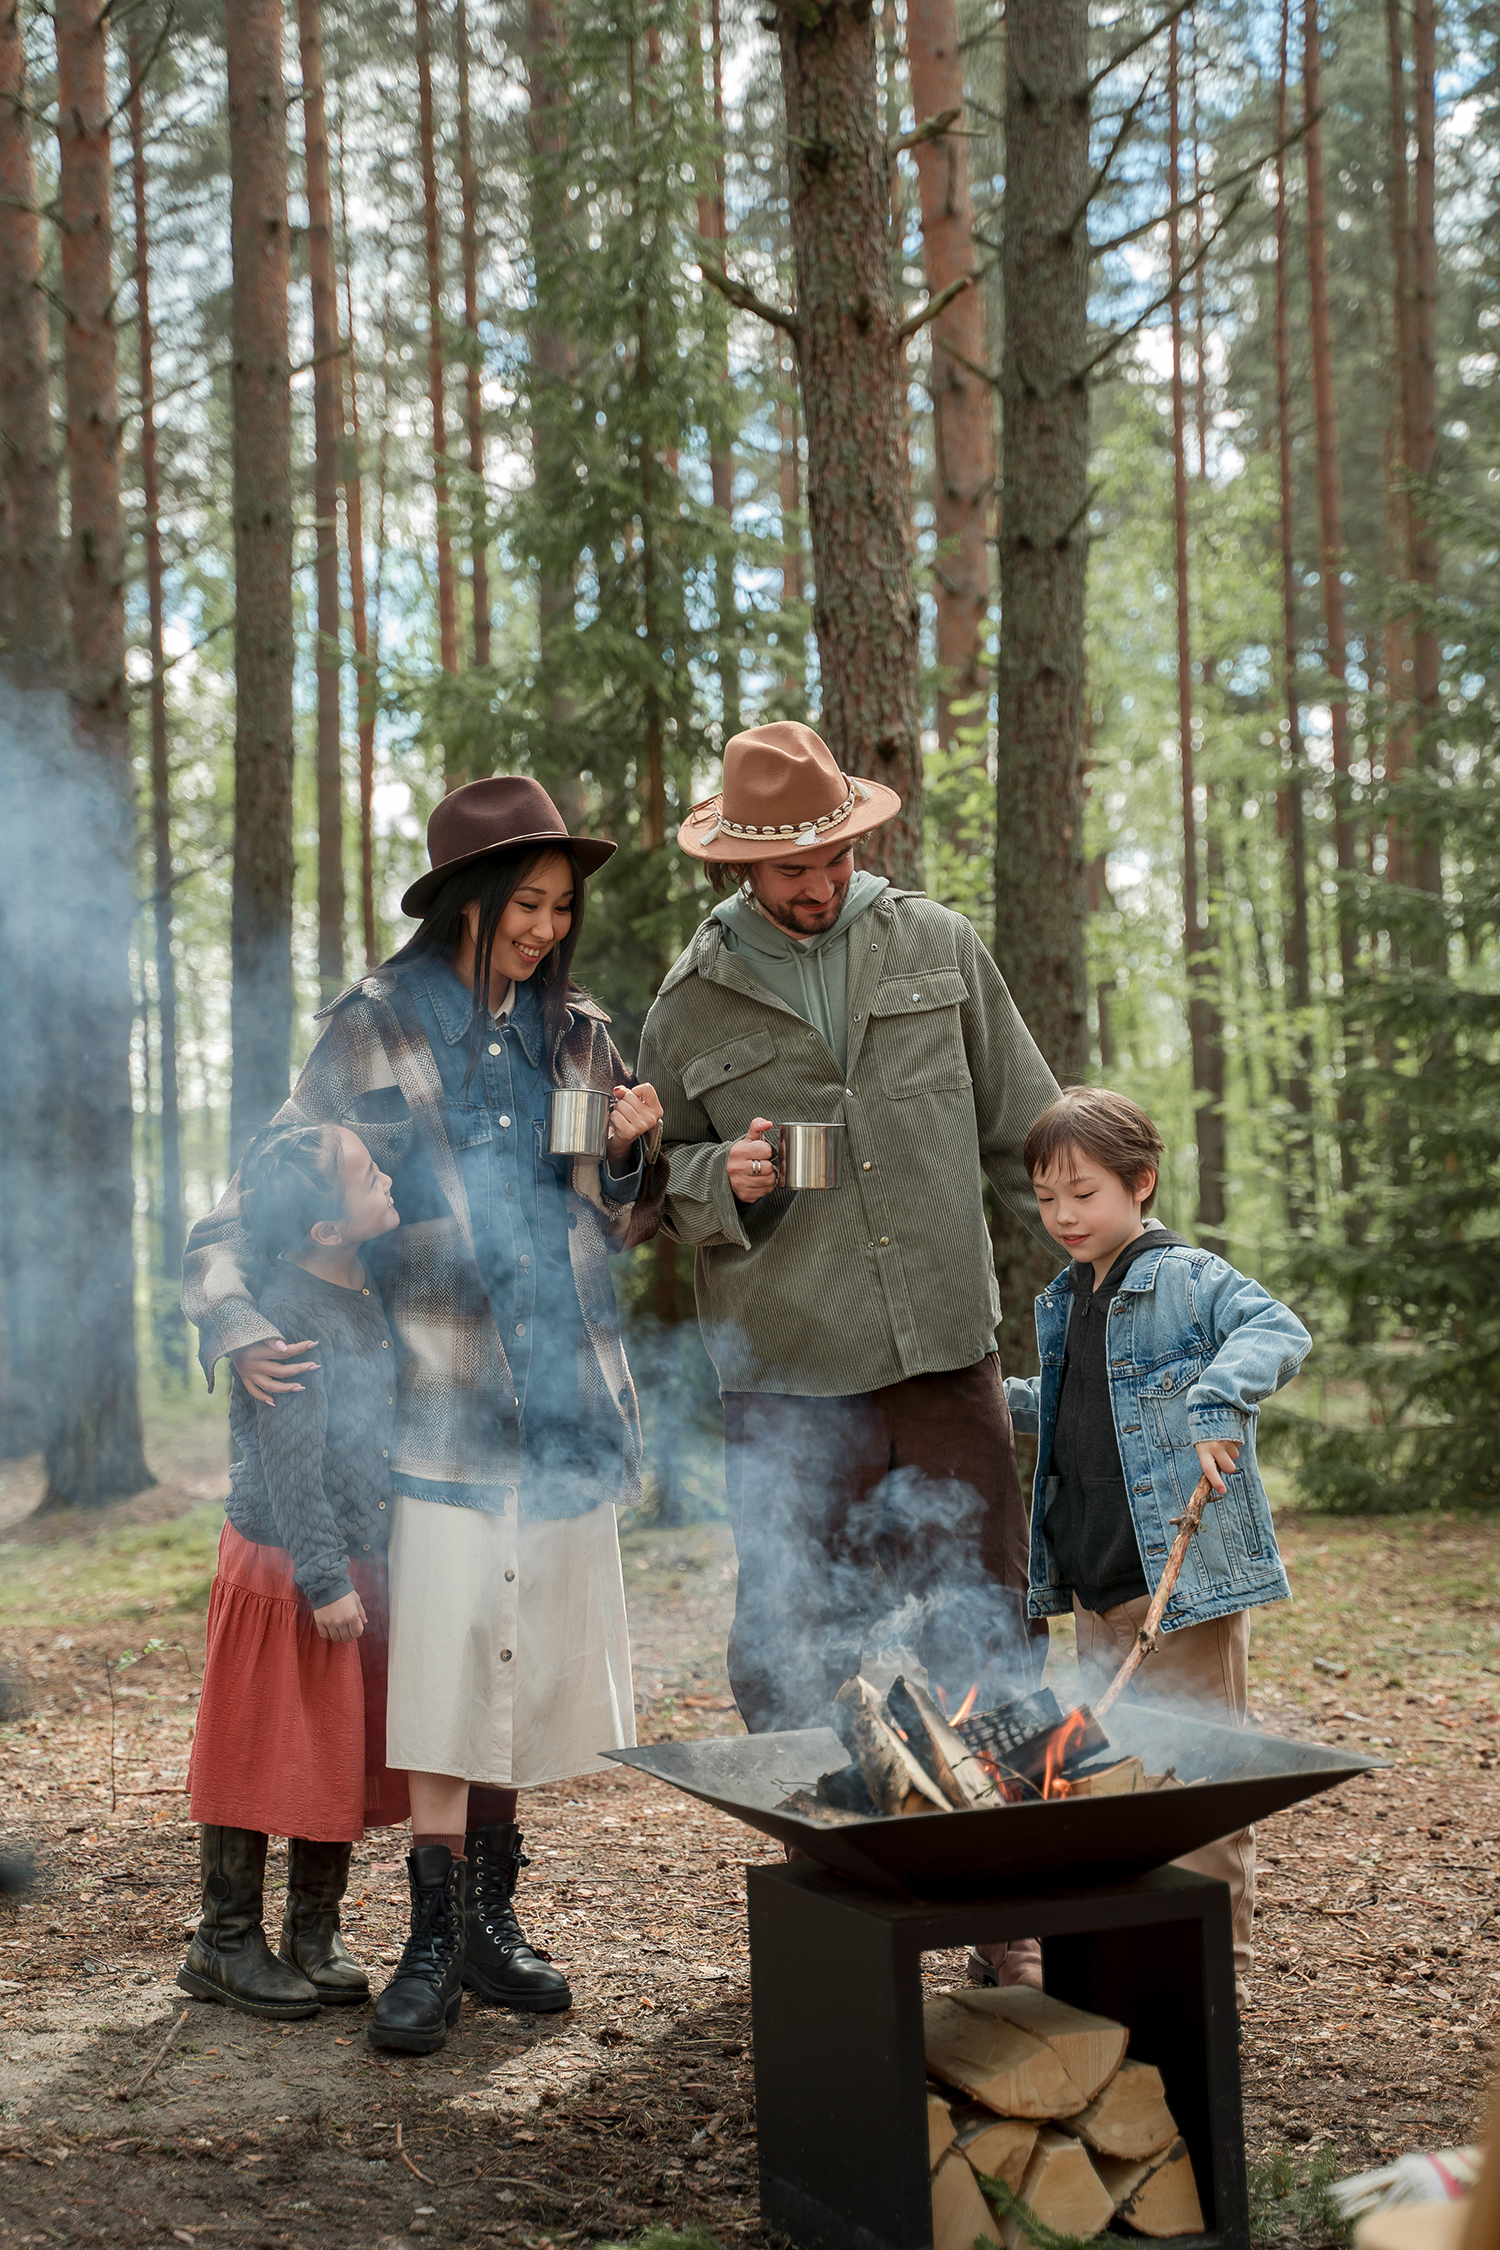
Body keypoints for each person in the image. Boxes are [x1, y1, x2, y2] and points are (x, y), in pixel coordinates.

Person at [184, 777, 666, 2057]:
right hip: (435, 1401)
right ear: (470, 896)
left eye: (564, 906)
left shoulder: (582, 1036)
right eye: (527, 902)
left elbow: (618, 1222)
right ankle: (430, 1935)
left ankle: (495, 1924)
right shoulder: (371, 1028)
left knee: (528, 1663)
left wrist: (629, 1159)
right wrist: (235, 1325)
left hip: (562, 1395)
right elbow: (252, 1202)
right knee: (450, 1666)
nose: (546, 928)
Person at [636, 720, 1062, 1741]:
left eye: (837, 858)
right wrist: (715, 1177)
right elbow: (645, 1186)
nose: (821, 884)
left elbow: (1030, 1135)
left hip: (944, 1353)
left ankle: (989, 1840)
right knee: (793, 1650)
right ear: (741, 867)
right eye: (793, 871)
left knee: (989, 1627)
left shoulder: (938, 942)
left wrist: (1137, 1266)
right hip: (788, 1380)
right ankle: (828, 1863)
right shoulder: (687, 1004)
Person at [1007, 1086, 1311, 2003]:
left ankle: (1214, 1982)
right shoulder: (1069, 1297)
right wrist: (986, 1399)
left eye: (1084, 1192)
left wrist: (1218, 1404)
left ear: (1139, 1184)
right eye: (1047, 1195)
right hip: (1098, 1581)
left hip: (1178, 1582)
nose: (1063, 1214)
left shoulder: (1183, 1276)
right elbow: (1074, 1415)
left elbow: (1277, 1329)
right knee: (1119, 1781)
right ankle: (1134, 1963)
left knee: (1199, 1784)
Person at [180, 1120, 409, 2022]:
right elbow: (290, 1465)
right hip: (288, 1562)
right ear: (325, 1229)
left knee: (335, 1747)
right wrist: (324, 1579)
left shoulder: (361, 1278)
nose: (385, 1174)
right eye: (366, 1174)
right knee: (253, 1746)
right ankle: (224, 1940)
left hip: (344, 1555)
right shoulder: (288, 1320)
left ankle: (316, 1933)